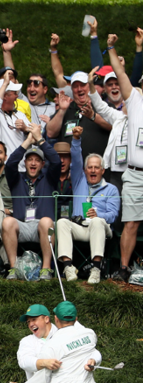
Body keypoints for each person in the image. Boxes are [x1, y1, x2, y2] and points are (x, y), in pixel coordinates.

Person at [55, 127, 120, 285]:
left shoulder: (111, 189)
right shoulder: (79, 181)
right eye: (89, 167)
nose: (92, 170)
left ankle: (96, 269)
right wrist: (76, 140)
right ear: (84, 170)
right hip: (80, 226)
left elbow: (114, 214)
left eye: (96, 167)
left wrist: (99, 215)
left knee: (98, 222)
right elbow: (76, 159)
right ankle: (68, 267)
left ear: (102, 170)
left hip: (100, 228)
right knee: (62, 222)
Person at [105, 34, 143, 282]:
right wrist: (110, 47)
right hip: (135, 173)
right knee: (130, 223)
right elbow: (120, 73)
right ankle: (124, 268)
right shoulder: (135, 101)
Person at [2, 124, 61, 280]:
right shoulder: (17, 178)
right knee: (7, 222)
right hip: (21, 226)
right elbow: (10, 164)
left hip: (42, 227)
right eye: (30, 160)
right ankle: (13, 269)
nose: (33, 163)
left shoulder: (49, 178)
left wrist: (40, 139)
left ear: (42, 164)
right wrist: (28, 141)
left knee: (47, 221)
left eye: (37, 160)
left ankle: (46, 269)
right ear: (25, 163)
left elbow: (56, 162)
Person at [0, 76, 30, 157]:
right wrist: (4, 85)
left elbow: (36, 139)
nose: (17, 96)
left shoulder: (20, 115)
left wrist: (25, 129)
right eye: (14, 93)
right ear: (4, 96)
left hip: (20, 167)